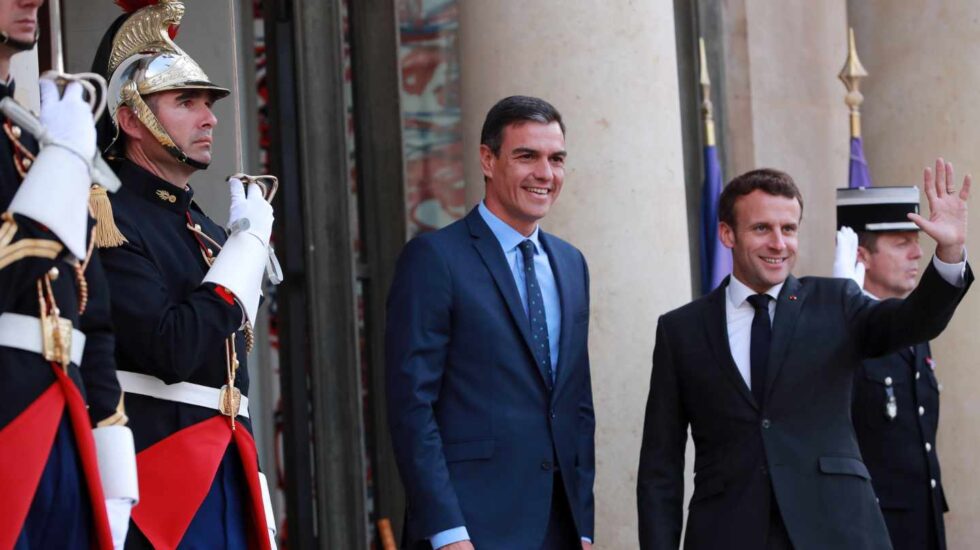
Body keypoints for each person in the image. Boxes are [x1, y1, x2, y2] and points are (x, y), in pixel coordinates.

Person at [637, 162, 971, 549]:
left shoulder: (837, 302)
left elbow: (915, 321)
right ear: (727, 234)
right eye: (762, 228)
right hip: (728, 533)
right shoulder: (682, 330)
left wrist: (949, 252)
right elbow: (660, 468)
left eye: (789, 229)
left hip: (836, 532)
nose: (779, 243)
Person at [90, 1, 278, 547]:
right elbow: (171, 349)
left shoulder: (206, 225)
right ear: (131, 119)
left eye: (208, 102)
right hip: (157, 473)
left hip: (228, 462)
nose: (209, 117)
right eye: (185, 101)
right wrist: (245, 250)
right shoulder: (108, 214)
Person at [386, 95, 595, 549]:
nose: (545, 173)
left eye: (556, 159)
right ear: (487, 158)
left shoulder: (571, 264)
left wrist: (583, 525)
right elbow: (411, 407)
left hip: (558, 527)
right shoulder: (434, 259)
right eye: (527, 156)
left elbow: (577, 406)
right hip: (471, 530)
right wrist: (447, 532)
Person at [0, 0, 137, 548]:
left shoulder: (36, 145)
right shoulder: (52, 154)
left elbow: (91, 316)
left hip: (62, 430)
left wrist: (111, 462)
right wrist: (63, 165)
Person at [834, 185, 950, 550]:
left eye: (916, 242)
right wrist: (838, 313)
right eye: (901, 244)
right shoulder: (839, 332)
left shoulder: (912, 328)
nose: (917, 254)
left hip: (923, 523)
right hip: (871, 530)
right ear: (861, 255)